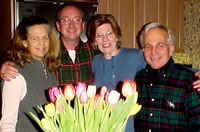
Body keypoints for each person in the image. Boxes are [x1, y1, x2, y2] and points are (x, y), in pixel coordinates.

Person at [0, 4, 99, 86]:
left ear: (83, 25)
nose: (71, 25)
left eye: (77, 20)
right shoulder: (45, 51)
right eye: (65, 20)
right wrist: (5, 66)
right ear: (58, 26)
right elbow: (21, 59)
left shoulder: (94, 52)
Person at [134, 22, 200, 131]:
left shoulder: (188, 81)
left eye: (160, 45)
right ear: (143, 51)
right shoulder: (138, 78)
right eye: (148, 46)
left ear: (171, 49)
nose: (153, 52)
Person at [87, 14, 147, 132]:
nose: (105, 39)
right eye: (99, 35)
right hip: (103, 126)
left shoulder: (135, 56)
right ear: (94, 41)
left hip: (129, 125)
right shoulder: (96, 62)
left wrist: (194, 74)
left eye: (109, 33)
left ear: (116, 35)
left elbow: (161, 64)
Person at [0, 16, 60, 131]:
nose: (41, 43)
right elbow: (7, 124)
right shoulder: (15, 75)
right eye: (34, 38)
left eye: (45, 37)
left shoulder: (49, 68)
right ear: (24, 42)